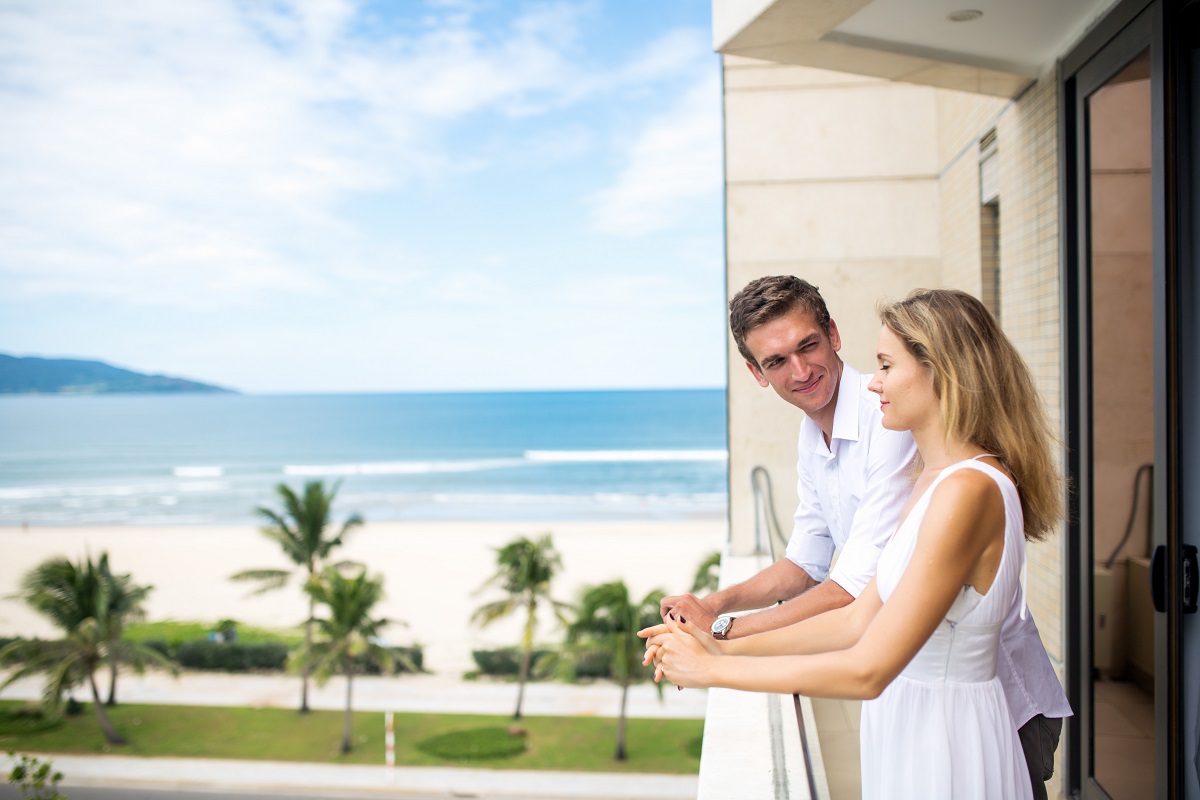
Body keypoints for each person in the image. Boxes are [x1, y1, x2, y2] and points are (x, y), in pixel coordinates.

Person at [642, 288, 1069, 799]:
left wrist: (717, 661)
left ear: (940, 370)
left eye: (886, 365)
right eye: (777, 360)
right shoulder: (928, 476)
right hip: (909, 716)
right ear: (758, 372)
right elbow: (832, 588)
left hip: (969, 720)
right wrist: (717, 629)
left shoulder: (947, 476)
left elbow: (858, 627)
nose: (874, 384)